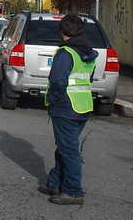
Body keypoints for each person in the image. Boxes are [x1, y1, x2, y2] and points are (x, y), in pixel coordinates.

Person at [39, 14, 97, 205]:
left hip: (66, 106)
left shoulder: (66, 53)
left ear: (63, 31)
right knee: (65, 147)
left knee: (69, 149)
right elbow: (88, 78)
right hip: (83, 105)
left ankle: (73, 191)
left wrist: (53, 100)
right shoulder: (88, 51)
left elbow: (57, 80)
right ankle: (54, 182)